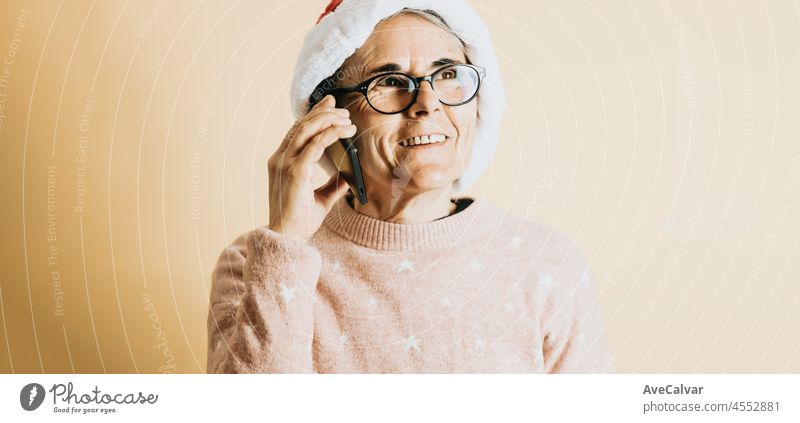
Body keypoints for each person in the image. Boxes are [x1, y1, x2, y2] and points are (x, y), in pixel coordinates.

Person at [206, 0, 614, 373]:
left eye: (448, 73)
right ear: (329, 118)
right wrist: (287, 242)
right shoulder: (253, 267)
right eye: (389, 80)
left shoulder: (545, 264)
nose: (428, 102)